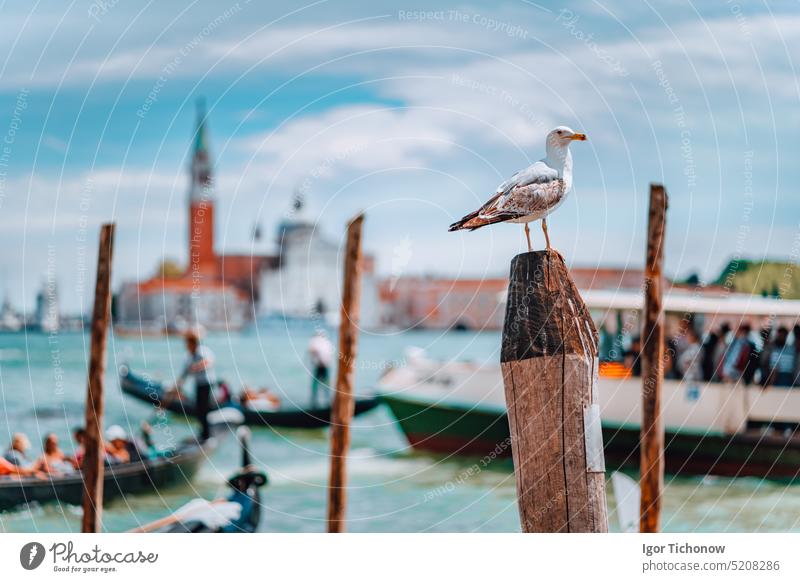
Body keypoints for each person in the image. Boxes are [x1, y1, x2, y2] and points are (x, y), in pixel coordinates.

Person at [177, 330, 216, 441]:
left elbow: (208, 362)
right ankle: (203, 433)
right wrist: (178, 386)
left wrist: (195, 367)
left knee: (203, 409)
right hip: (199, 384)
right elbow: (184, 373)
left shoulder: (203, 351)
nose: (186, 346)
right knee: (199, 410)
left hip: (207, 384)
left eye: (187, 343)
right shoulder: (189, 356)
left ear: (193, 343)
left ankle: (207, 435)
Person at [308, 330, 334, 408]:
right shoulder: (324, 342)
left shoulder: (318, 342)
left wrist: (321, 361)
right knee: (319, 385)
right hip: (321, 365)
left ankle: (325, 402)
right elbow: (313, 351)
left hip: (323, 365)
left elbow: (313, 351)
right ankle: (316, 403)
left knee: (322, 385)